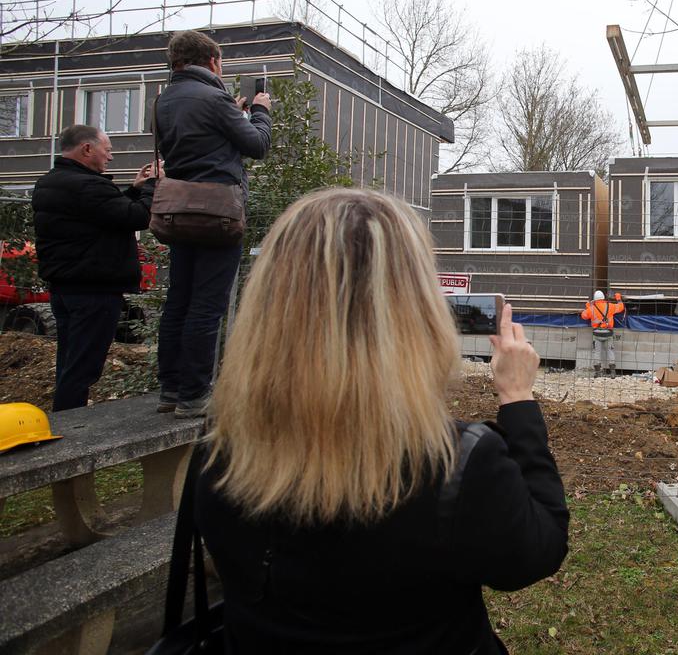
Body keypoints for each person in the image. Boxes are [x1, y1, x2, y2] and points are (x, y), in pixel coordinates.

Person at [193, 188, 569, 653]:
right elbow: (539, 549)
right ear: (416, 315)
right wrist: (517, 398)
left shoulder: (218, 453)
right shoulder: (458, 465)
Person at [155, 30, 271, 418]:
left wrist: (230, 112)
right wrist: (259, 111)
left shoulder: (164, 100)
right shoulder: (214, 98)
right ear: (213, 61)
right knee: (207, 305)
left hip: (179, 209)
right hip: (217, 211)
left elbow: (193, 142)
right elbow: (257, 145)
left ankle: (170, 389)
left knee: (179, 301)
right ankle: (194, 395)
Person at [31, 125, 159, 411]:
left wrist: (134, 189)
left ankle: (63, 420)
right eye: (108, 150)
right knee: (83, 368)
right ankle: (70, 430)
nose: (110, 158)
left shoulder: (51, 182)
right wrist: (153, 185)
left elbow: (102, 214)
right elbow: (138, 217)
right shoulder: (88, 186)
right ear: (86, 149)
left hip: (66, 288)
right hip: (94, 291)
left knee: (69, 361)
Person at [581, 289, 625, 377]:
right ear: (603, 298)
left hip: (597, 334)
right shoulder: (610, 306)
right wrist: (618, 298)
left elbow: (584, 316)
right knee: (610, 351)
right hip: (608, 333)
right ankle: (612, 372)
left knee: (596, 352)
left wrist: (589, 307)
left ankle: (597, 372)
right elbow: (621, 307)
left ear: (595, 299)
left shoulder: (592, 308)